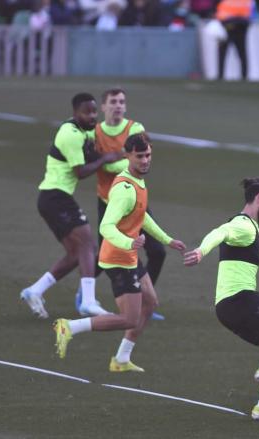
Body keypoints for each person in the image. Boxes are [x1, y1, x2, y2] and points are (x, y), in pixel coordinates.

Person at [53, 133, 186, 371]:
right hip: (118, 259)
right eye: (140, 156)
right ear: (127, 156)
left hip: (129, 256)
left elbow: (141, 214)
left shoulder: (137, 181)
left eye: (148, 155)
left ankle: (122, 359)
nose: (145, 160)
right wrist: (128, 243)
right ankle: (70, 327)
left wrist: (167, 240)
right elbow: (106, 226)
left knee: (150, 303)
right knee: (128, 319)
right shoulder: (125, 189)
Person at [183, 177, 259, 423]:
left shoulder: (250, 231)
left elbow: (234, 242)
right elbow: (221, 232)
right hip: (240, 300)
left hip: (227, 309)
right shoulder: (244, 225)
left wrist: (257, 246)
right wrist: (201, 251)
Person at [20, 93, 121, 320]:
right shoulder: (70, 134)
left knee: (76, 254)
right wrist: (105, 159)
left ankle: (34, 291)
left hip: (53, 198)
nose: (93, 116)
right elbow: (81, 171)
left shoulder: (84, 131)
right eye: (88, 112)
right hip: (55, 198)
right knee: (88, 244)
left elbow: (94, 153)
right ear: (76, 112)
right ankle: (87, 301)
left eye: (95, 111)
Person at [75, 88, 166, 320]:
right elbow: (93, 163)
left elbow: (128, 160)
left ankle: (145, 299)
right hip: (109, 201)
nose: (118, 105)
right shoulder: (94, 133)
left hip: (135, 200)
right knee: (106, 254)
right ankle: (84, 293)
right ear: (103, 107)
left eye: (122, 101)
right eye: (113, 101)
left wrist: (106, 161)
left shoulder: (135, 129)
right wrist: (111, 162)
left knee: (157, 251)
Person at [215, 0, 253, 80]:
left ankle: (220, 75)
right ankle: (244, 76)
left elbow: (219, 11)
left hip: (227, 25)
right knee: (242, 52)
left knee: (223, 52)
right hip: (240, 25)